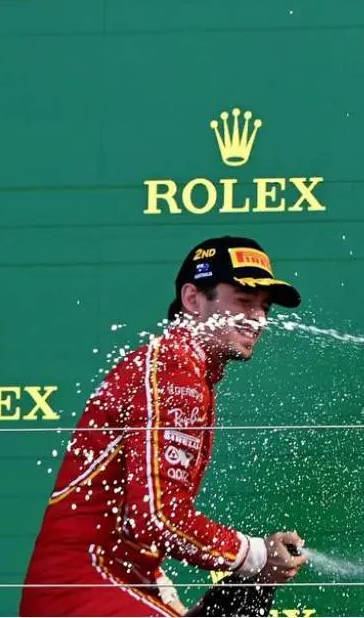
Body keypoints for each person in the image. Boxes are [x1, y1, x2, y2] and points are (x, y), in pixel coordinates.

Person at [21, 236, 309, 617]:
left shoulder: (183, 369)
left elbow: (130, 519)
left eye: (264, 306)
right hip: (83, 590)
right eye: (243, 300)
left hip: (106, 583)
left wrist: (162, 587)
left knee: (247, 597)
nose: (258, 318)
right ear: (193, 299)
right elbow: (157, 518)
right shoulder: (174, 370)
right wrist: (256, 554)